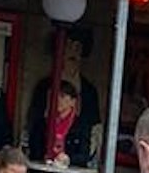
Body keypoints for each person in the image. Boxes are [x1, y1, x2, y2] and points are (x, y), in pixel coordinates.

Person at [27, 31, 101, 165]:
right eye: (68, 46)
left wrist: (71, 160)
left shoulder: (89, 91)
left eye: (77, 47)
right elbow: (31, 130)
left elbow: (93, 136)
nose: (73, 52)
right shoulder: (44, 86)